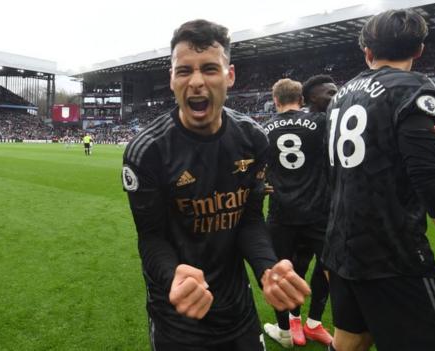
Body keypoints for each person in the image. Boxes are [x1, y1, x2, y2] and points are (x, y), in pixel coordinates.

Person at [323, 9, 435, 351]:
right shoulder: (412, 87)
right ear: (419, 50)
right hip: (393, 253)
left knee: (350, 342)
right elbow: (429, 182)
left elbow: (351, 171)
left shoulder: (342, 94)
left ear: (367, 52)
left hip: (341, 247)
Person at [122, 19, 310, 351]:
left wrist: (267, 267)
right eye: (184, 71)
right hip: (177, 310)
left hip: (237, 308)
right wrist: (172, 275)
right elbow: (151, 237)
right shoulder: (147, 151)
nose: (196, 82)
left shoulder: (253, 139)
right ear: (171, 79)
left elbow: (249, 220)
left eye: (209, 68)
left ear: (230, 75)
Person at [261, 78, 333, 348]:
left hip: (281, 214)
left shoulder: (263, 129)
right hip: (319, 211)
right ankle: (313, 323)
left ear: (275, 100)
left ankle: (285, 330)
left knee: (281, 273)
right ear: (301, 100)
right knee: (327, 268)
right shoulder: (320, 122)